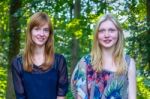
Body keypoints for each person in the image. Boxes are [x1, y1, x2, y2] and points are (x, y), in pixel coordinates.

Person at [71, 14, 136, 99]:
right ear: (96, 35)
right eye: (102, 31)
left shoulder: (128, 62)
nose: (106, 35)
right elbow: (78, 94)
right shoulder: (85, 62)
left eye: (111, 30)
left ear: (119, 33)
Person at [11, 12, 68, 99]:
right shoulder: (18, 63)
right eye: (37, 29)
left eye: (45, 30)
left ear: (49, 34)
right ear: (30, 32)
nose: (41, 34)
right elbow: (21, 97)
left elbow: (61, 95)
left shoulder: (59, 61)